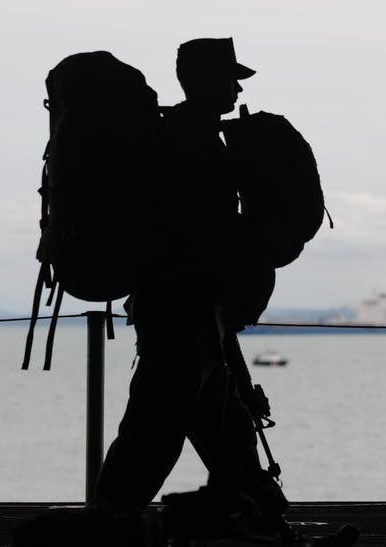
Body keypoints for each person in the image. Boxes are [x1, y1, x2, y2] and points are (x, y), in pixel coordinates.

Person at [93, 38, 288, 537]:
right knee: (154, 436)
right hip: (183, 314)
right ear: (201, 80)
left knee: (227, 436)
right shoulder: (187, 141)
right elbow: (197, 232)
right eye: (230, 76)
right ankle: (107, 528)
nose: (237, 86)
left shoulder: (192, 136)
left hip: (197, 316)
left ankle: (263, 517)